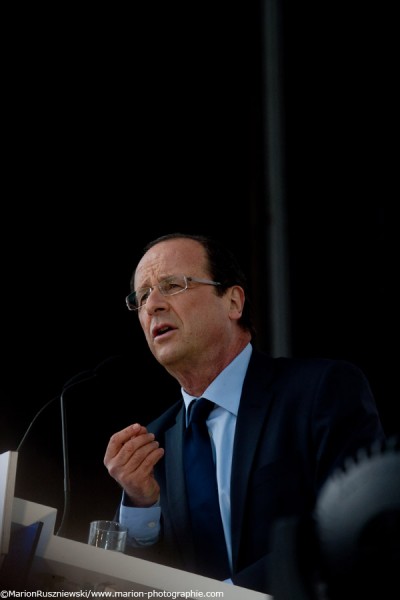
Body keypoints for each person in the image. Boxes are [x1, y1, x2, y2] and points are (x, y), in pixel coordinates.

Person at [104, 232, 385, 595]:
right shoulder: (152, 446)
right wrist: (141, 505)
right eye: (141, 297)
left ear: (233, 302)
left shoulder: (319, 391)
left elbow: (352, 525)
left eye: (172, 285)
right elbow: (129, 584)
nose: (153, 304)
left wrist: (230, 594)